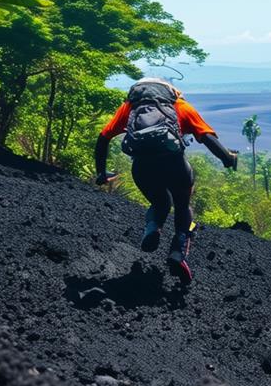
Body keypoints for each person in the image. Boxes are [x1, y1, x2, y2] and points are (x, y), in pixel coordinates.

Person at [94, 78, 237, 279]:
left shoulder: (130, 108)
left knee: (160, 202)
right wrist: (227, 158)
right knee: (182, 205)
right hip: (175, 166)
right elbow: (207, 137)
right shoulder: (180, 106)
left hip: (142, 169)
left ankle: (152, 229)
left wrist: (101, 173)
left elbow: (103, 138)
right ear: (170, 91)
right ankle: (178, 253)